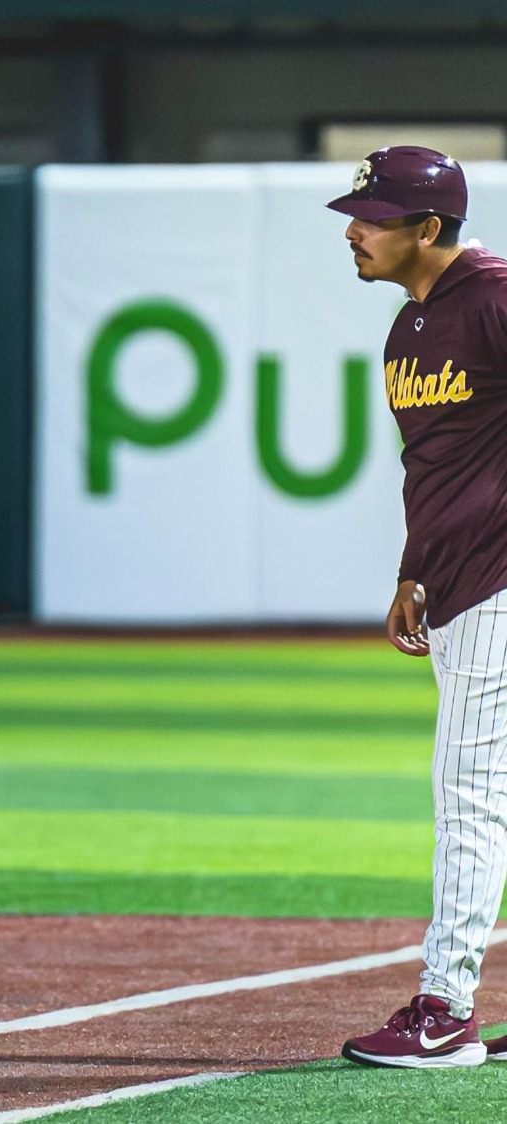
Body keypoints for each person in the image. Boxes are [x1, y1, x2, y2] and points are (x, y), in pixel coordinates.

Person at [332, 145, 507, 1068]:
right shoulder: (412, 324)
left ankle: (445, 1008)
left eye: (374, 216)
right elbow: (434, 464)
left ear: (428, 229)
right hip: (456, 578)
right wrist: (412, 568)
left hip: (498, 585)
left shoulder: (493, 299)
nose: (354, 231)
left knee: (468, 795)